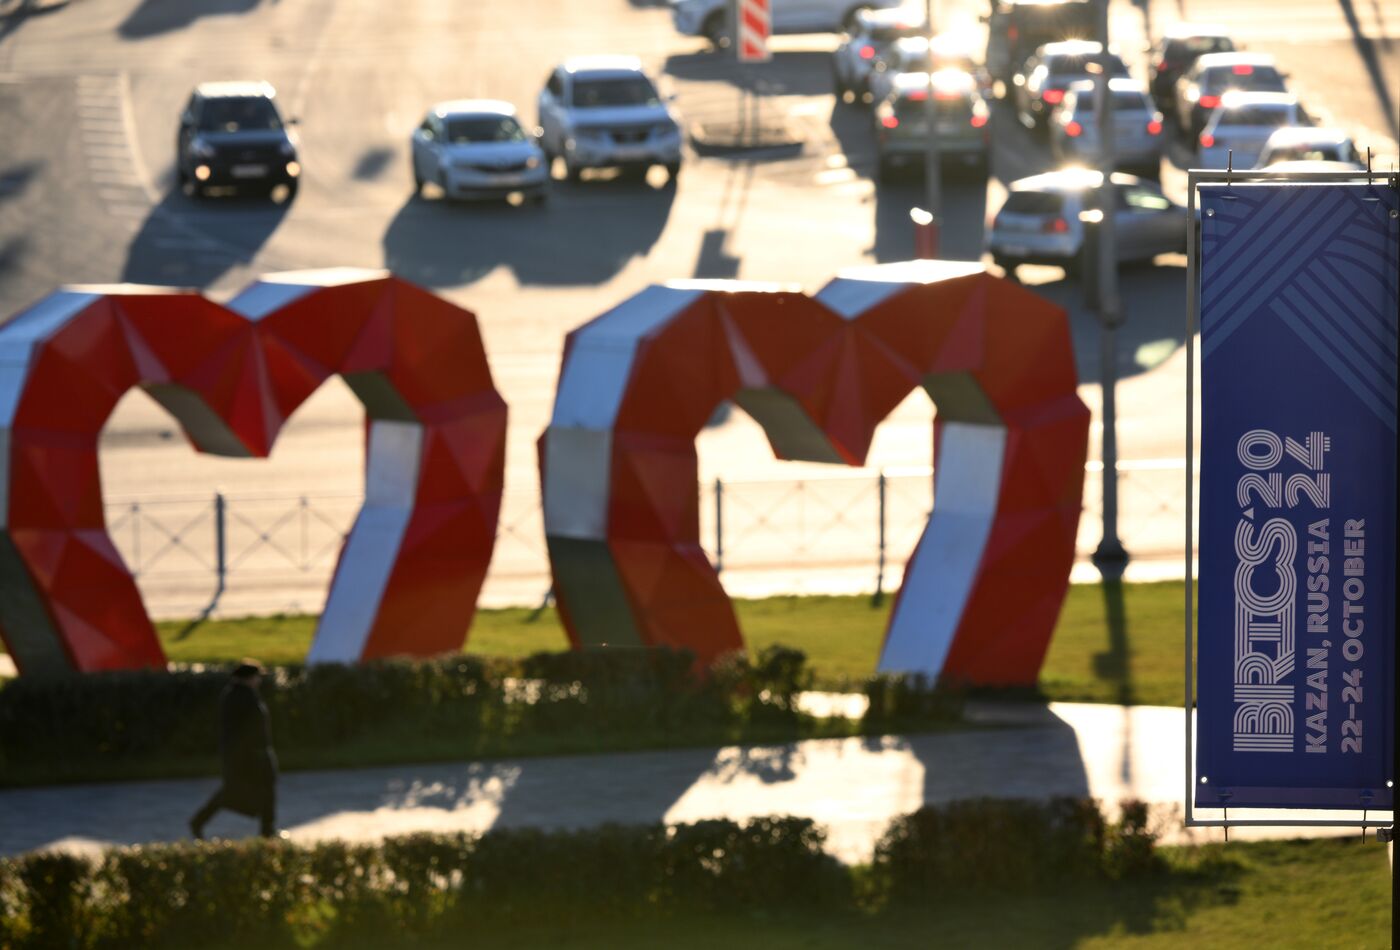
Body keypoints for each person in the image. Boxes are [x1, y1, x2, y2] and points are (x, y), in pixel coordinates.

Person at [190, 660, 278, 839]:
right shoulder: (239, 697)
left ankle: (267, 830)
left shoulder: (241, 694)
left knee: (262, 791)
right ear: (249, 678)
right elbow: (242, 730)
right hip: (250, 756)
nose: (259, 680)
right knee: (236, 792)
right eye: (257, 677)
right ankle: (199, 821)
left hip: (254, 754)